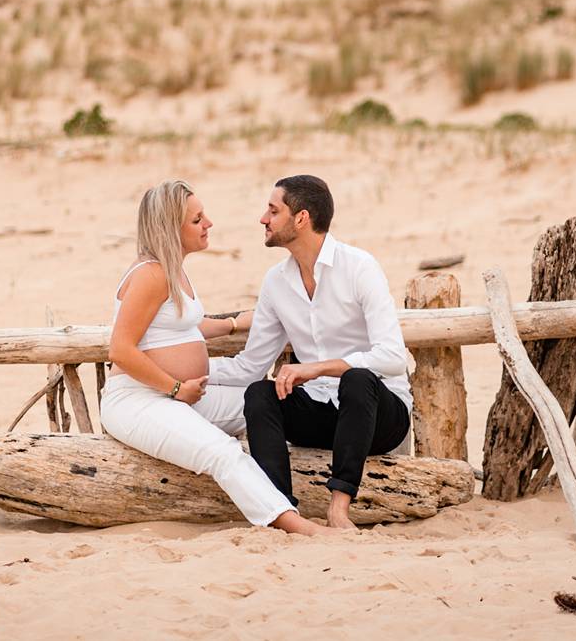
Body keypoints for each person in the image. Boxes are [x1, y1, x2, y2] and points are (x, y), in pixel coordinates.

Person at [100, 179, 328, 536]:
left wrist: (237, 323)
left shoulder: (172, 271)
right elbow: (120, 349)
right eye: (197, 219)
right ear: (169, 227)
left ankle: (309, 483)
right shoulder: (151, 274)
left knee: (267, 406)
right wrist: (175, 388)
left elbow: (180, 327)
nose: (208, 224)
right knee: (221, 452)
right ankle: (292, 523)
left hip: (180, 395)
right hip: (139, 399)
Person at [207, 175, 412, 530]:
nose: (263, 219)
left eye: (273, 210)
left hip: (379, 416)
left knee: (358, 379)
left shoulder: (359, 267)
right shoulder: (276, 282)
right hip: (321, 414)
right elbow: (250, 367)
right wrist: (185, 371)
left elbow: (392, 356)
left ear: (300, 218)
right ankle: (280, 510)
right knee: (260, 394)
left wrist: (316, 369)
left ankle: (339, 509)